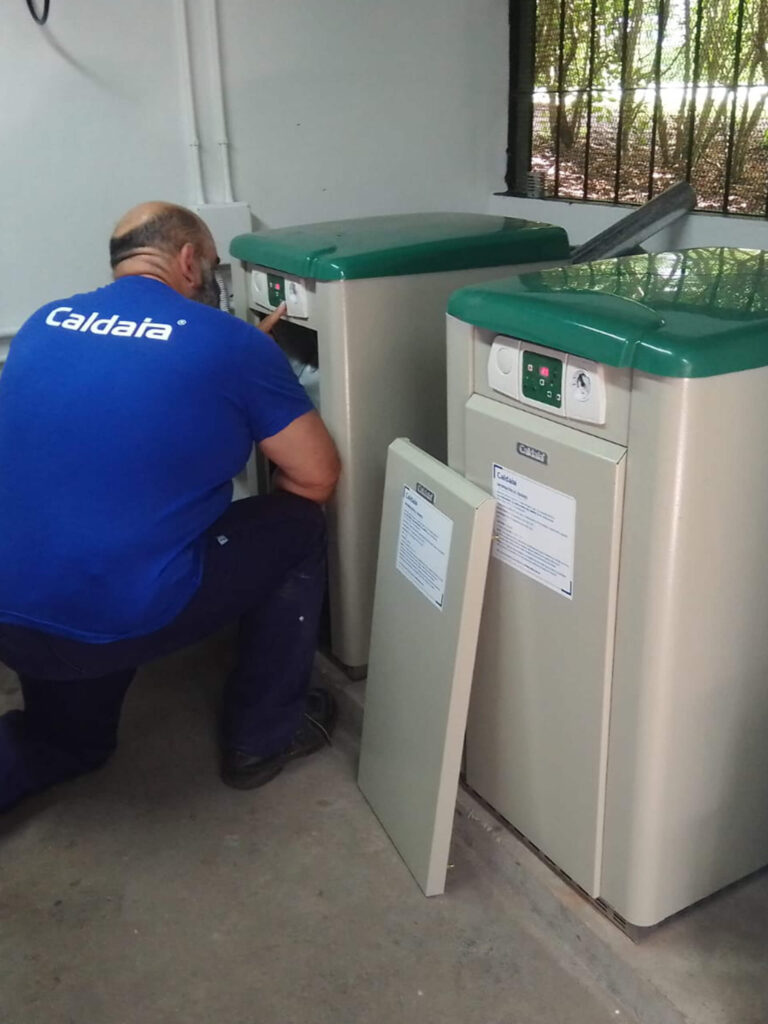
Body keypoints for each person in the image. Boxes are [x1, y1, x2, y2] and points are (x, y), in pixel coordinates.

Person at [0, 201, 341, 812]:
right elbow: (316, 478)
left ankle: (59, 726)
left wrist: (240, 371)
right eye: (212, 265)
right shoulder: (228, 345)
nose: (213, 278)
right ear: (188, 260)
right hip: (110, 617)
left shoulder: (44, 322)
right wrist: (253, 377)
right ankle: (264, 735)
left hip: (13, 615)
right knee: (296, 526)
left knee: (70, 743)